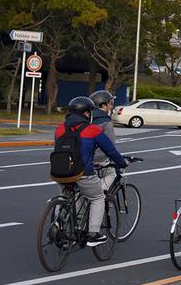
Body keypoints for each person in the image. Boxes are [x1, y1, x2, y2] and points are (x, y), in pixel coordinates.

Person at [54, 96, 128, 247]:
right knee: (97, 198)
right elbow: (111, 151)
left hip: (59, 171)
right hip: (83, 173)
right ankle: (93, 234)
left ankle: (57, 223)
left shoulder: (60, 128)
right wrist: (122, 163)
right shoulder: (92, 130)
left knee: (67, 196)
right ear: (87, 114)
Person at [89, 90, 118, 188]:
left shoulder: (87, 119)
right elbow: (110, 146)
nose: (112, 106)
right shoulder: (106, 122)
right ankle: (99, 195)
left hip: (81, 159)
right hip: (98, 159)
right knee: (111, 174)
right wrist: (118, 161)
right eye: (110, 103)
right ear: (103, 105)